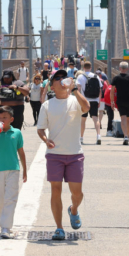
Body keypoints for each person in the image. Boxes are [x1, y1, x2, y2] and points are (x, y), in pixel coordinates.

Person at [36, 69, 90, 240]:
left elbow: (87, 107)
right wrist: (45, 140)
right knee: (55, 190)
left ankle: (73, 209)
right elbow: (40, 129)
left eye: (63, 77)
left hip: (74, 154)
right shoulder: (47, 105)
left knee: (77, 193)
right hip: (55, 154)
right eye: (57, 78)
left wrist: (74, 90)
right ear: (52, 86)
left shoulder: (75, 100)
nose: (61, 80)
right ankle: (59, 228)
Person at [0, 106, 27, 239]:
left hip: (13, 169)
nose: (1, 120)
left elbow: (21, 151)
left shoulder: (17, 133)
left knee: (11, 198)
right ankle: (5, 221)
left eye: (5, 117)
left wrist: (25, 169)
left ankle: (5, 227)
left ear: (11, 119)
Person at [76, 61, 103, 145]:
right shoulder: (96, 76)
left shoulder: (80, 76)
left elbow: (78, 89)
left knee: (83, 119)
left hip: (84, 101)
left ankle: (81, 138)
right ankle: (98, 135)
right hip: (94, 100)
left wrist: (79, 101)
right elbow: (100, 89)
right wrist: (99, 100)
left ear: (83, 68)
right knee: (95, 119)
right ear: (91, 67)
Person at [111, 62, 129, 145]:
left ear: (120, 68)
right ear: (127, 69)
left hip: (120, 100)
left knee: (123, 118)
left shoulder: (116, 78)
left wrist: (112, 102)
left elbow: (112, 91)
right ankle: (128, 136)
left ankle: (125, 135)